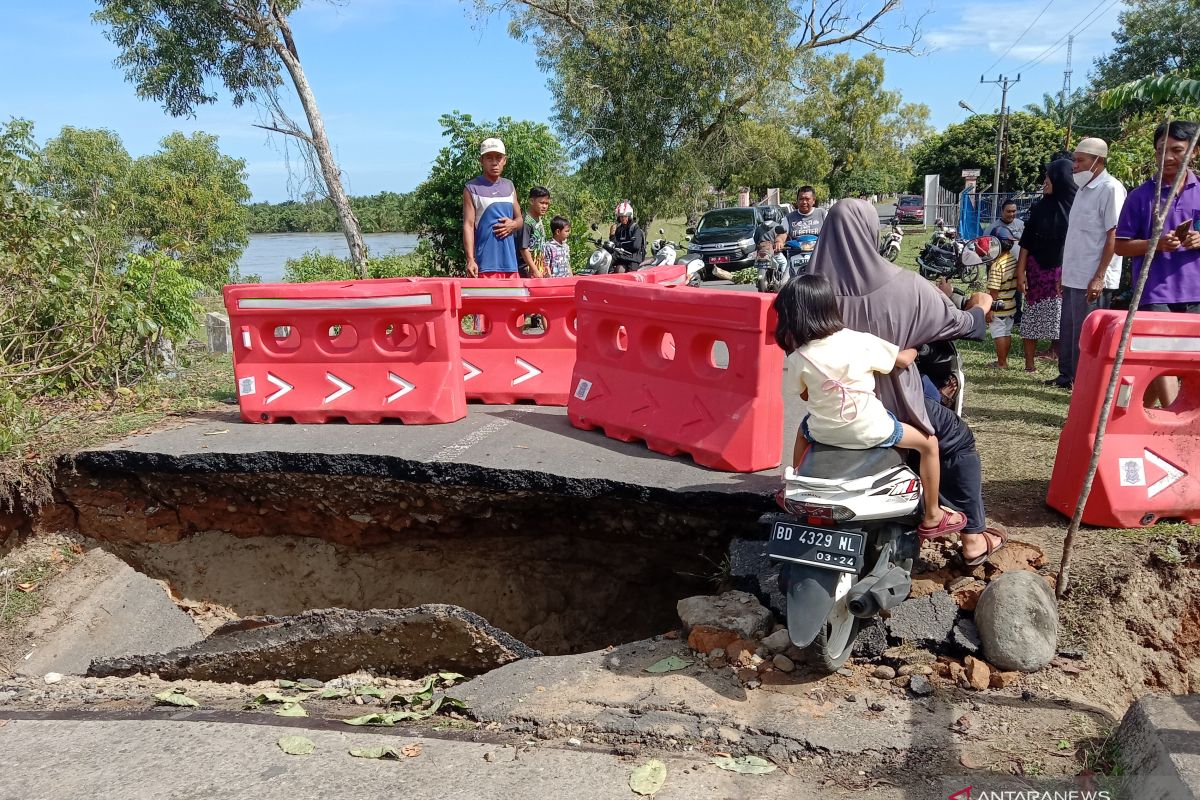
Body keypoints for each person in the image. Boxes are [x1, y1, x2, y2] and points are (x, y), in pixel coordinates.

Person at [808, 199, 1007, 566]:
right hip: (891, 406)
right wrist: (979, 305)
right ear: (872, 233)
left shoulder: (805, 292)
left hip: (829, 408)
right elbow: (968, 327)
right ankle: (974, 538)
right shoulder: (907, 287)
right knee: (958, 439)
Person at [775, 274, 967, 537]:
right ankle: (933, 514)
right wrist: (916, 344)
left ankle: (797, 485)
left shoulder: (799, 357)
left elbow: (806, 397)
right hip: (872, 429)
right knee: (929, 444)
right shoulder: (859, 340)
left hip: (824, 432)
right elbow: (902, 360)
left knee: (802, 429)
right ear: (830, 306)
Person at [1115, 119, 1200, 407]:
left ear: (1194, 152)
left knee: (1185, 364)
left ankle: (1135, 414)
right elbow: (1120, 246)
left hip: (1195, 293)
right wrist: (1156, 244)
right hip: (1154, 293)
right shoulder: (1139, 197)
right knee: (1162, 358)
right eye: (1161, 150)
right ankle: (1176, 423)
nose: (1168, 157)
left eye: (1177, 150)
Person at [1052, 137, 1127, 390]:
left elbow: (1113, 235)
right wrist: (1064, 272)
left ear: (1099, 161)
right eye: (1075, 159)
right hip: (1074, 272)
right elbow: (1076, 235)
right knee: (1071, 331)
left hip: (1094, 275)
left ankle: (1085, 381)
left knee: (1089, 334)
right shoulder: (1083, 189)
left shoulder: (1111, 189)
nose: (1074, 165)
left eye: (1080, 160)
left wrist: (1099, 276)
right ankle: (1068, 376)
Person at [1016, 159, 1077, 372]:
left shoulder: (1077, 207)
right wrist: (1020, 272)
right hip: (1037, 270)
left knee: (1061, 317)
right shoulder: (1040, 207)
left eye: (1048, 177)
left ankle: (1059, 356)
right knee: (1032, 314)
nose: (1044, 182)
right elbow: (1026, 241)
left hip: (1063, 271)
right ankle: (1029, 364)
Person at [463, 138, 522, 278]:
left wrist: (513, 224)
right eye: (489, 158)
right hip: (485, 265)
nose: (494, 162)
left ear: (504, 160)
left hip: (511, 264)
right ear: (481, 160)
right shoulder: (471, 188)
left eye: (498, 158)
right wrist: (470, 260)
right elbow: (468, 225)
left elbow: (519, 219)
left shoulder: (509, 186)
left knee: (513, 300)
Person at [986, 234, 1019, 369]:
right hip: (1011, 305)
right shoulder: (1012, 259)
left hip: (998, 306)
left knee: (998, 333)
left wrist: (989, 309)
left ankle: (1001, 363)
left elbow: (994, 291)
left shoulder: (997, 265)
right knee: (1006, 332)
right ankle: (1003, 360)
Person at [516, 186, 551, 279]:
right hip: (527, 271)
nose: (544, 206)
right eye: (542, 203)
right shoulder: (526, 221)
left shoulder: (538, 219)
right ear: (531, 201)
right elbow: (523, 248)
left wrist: (545, 266)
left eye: (547, 203)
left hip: (538, 268)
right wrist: (534, 269)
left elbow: (540, 246)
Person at [611, 201, 645, 272]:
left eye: (625, 216)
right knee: (607, 262)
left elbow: (635, 246)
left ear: (629, 216)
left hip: (633, 258)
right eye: (621, 216)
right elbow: (613, 245)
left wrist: (620, 245)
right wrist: (612, 235)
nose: (623, 218)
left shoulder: (635, 228)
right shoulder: (619, 228)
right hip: (621, 257)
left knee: (631, 274)